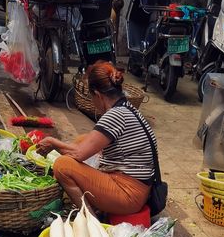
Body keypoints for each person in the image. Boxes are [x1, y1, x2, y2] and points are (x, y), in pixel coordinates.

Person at [35, 62, 156, 215]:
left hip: (129, 195)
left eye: (91, 96)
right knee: (83, 140)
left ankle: (90, 220)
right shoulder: (127, 108)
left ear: (98, 95)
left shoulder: (115, 115)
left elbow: (79, 154)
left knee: (62, 166)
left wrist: (53, 143)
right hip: (138, 187)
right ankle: (97, 205)